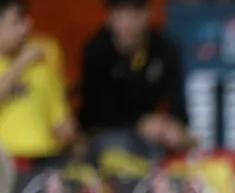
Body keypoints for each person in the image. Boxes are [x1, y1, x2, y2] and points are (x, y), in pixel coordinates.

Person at [79, 0, 191, 157]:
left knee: (182, 142)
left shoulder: (166, 49)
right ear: (108, 18)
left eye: (134, 15)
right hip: (109, 132)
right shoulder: (95, 51)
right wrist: (139, 124)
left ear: (148, 15)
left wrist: (173, 128)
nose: (127, 24)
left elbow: (178, 105)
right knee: (119, 145)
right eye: (120, 15)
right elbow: (95, 114)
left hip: (153, 131)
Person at [0, 0, 74, 163]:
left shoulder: (43, 68)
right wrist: (21, 63)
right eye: (17, 21)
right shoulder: (26, 61)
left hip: (47, 156)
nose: (26, 27)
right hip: (6, 160)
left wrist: (68, 129)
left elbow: (60, 120)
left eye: (27, 20)